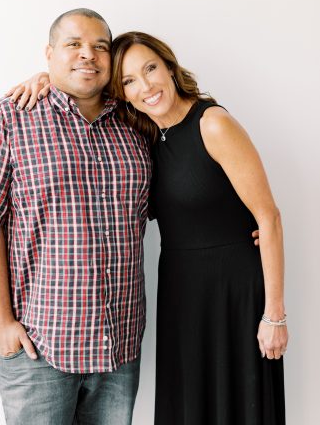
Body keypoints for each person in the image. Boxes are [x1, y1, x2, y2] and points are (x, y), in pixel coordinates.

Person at [16, 31, 286, 424]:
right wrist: (45, 79)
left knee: (238, 405)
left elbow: (269, 217)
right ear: (121, 94)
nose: (146, 86)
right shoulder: (143, 136)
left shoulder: (212, 123)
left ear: (170, 67)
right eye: (129, 80)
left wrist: (274, 315)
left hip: (233, 292)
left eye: (150, 69)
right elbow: (82, 90)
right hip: (182, 293)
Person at [0, 9, 152, 425]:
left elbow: (182, 195)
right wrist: (2, 324)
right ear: (49, 54)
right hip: (40, 348)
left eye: (100, 46)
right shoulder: (8, 117)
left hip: (118, 349)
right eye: (73, 44)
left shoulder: (135, 124)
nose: (88, 54)